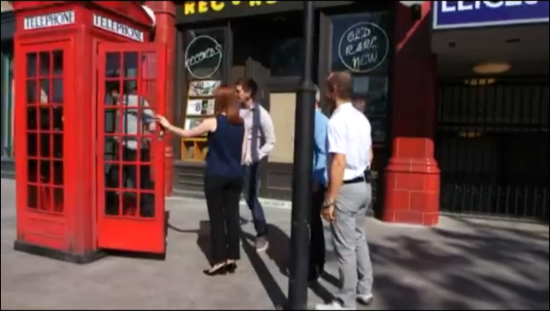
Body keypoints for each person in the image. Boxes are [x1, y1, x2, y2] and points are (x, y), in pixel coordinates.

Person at [157, 86, 247, 276]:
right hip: (235, 175)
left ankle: (218, 261)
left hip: (216, 175)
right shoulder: (241, 123)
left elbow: (186, 134)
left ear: (220, 101)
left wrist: (167, 125)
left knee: (216, 219)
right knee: (231, 217)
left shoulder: (213, 122)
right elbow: (243, 151)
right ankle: (232, 258)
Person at [315, 72, 374, 310]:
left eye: (328, 89)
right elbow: (370, 154)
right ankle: (365, 289)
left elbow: (338, 161)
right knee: (359, 238)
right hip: (364, 185)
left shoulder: (337, 121)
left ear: (335, 90)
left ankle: (345, 300)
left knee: (344, 247)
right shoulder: (362, 119)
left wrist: (330, 200)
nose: (327, 94)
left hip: (347, 189)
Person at [235, 78, 276, 252]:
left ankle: (262, 233)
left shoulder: (262, 114)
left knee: (251, 198)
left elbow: (271, 141)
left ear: (248, 93)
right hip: (234, 160)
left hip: (250, 164)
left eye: (238, 91)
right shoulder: (234, 110)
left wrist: (256, 156)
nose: (236, 94)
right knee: (230, 196)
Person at [109, 85, 156, 217]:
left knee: (142, 180)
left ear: (115, 91)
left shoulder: (137, 101)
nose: (111, 97)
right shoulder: (119, 103)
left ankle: (146, 210)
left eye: (111, 93)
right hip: (123, 147)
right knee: (118, 176)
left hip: (138, 148)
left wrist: (145, 132)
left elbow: (152, 122)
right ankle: (120, 207)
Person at [309, 85, 329, 283]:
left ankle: (316, 263)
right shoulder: (311, 120)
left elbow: (323, 153)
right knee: (310, 221)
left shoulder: (317, 121)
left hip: (314, 180)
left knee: (313, 222)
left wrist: (316, 181)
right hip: (310, 178)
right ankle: (313, 259)